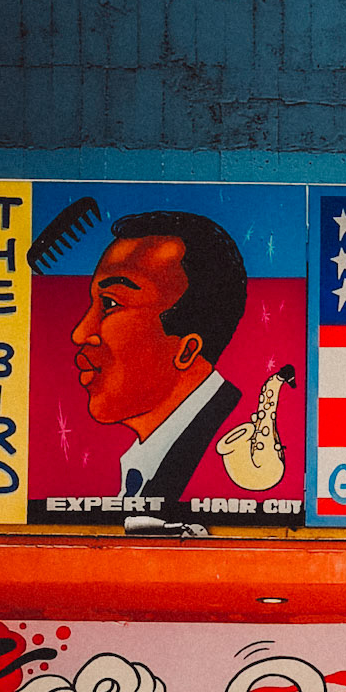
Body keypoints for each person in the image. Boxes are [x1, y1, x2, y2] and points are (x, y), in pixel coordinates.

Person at [70, 209, 249, 504]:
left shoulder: (229, 448)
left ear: (187, 349)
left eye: (111, 303)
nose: (80, 333)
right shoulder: (149, 462)